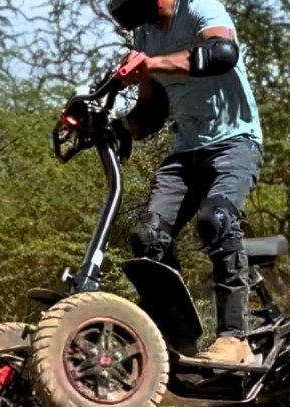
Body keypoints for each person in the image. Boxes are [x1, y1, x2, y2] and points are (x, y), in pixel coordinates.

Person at [107, 0, 264, 365]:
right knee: (147, 236)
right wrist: (111, 128)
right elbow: (151, 113)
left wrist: (151, 64)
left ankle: (234, 338)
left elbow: (222, 53)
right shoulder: (144, 35)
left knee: (216, 219)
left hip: (235, 142)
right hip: (186, 150)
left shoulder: (199, 8)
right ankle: (176, 341)